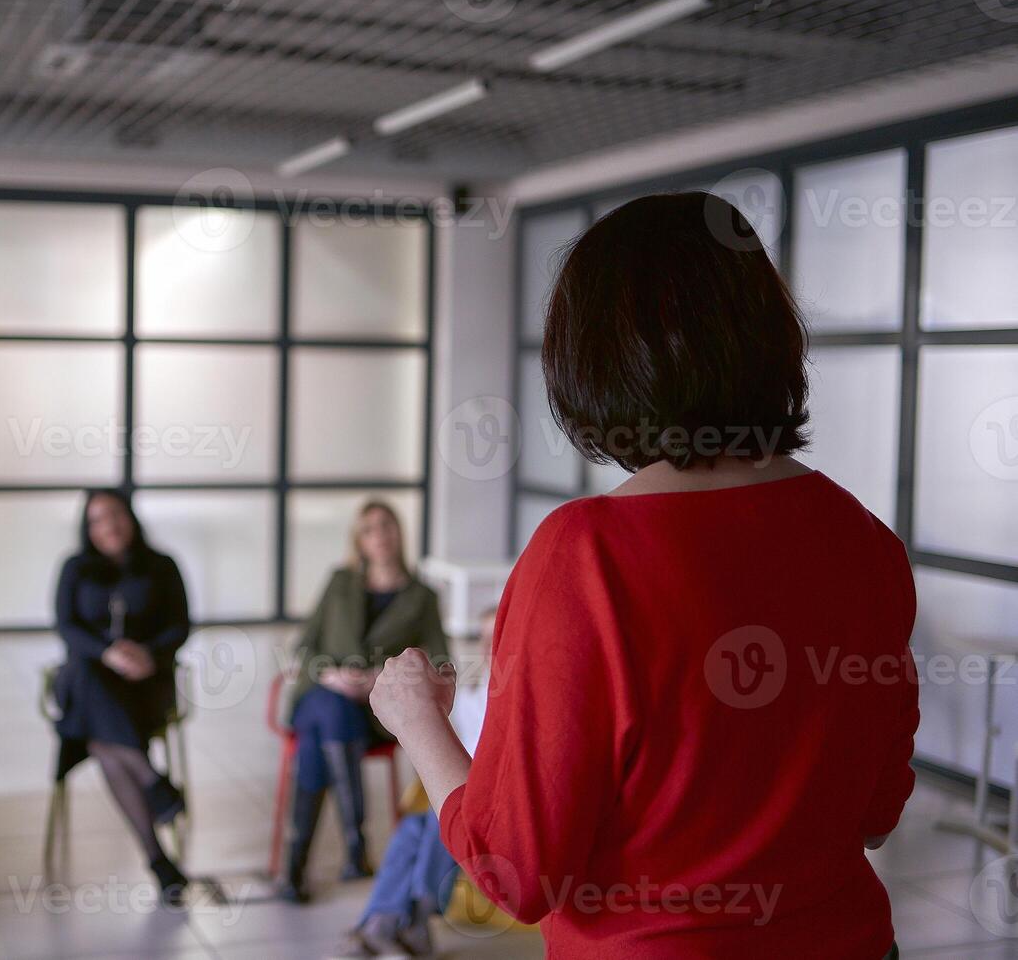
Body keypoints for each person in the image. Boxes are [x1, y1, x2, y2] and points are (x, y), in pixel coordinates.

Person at [370, 192, 916, 960]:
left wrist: (417, 720)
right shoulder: (867, 543)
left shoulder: (585, 557)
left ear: (592, 358)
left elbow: (518, 873)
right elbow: (876, 817)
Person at [279, 499, 449, 904]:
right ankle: (355, 847)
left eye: (387, 526)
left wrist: (380, 678)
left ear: (399, 534)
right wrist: (331, 675)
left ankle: (294, 866)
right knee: (330, 708)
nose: (380, 535)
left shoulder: (420, 596)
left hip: (372, 708)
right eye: (370, 528)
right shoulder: (341, 582)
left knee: (325, 727)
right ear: (360, 539)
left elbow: (441, 661)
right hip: (323, 691)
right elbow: (305, 644)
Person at [334, 604, 496, 959]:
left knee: (443, 821)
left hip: (489, 799)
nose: (488, 648)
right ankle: (395, 920)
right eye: (483, 638)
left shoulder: (513, 697)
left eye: (496, 638)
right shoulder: (470, 695)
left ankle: (396, 921)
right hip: (464, 788)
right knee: (415, 827)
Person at [53, 489, 191, 904]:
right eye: (97, 520)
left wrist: (148, 655)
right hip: (90, 678)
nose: (108, 526)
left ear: (130, 518)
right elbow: (67, 627)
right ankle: (153, 782)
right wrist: (108, 652)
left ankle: (158, 860)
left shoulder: (162, 566)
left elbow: (180, 625)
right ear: (87, 528)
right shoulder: (75, 568)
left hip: (146, 681)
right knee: (90, 677)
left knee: (102, 743)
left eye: (114, 515)